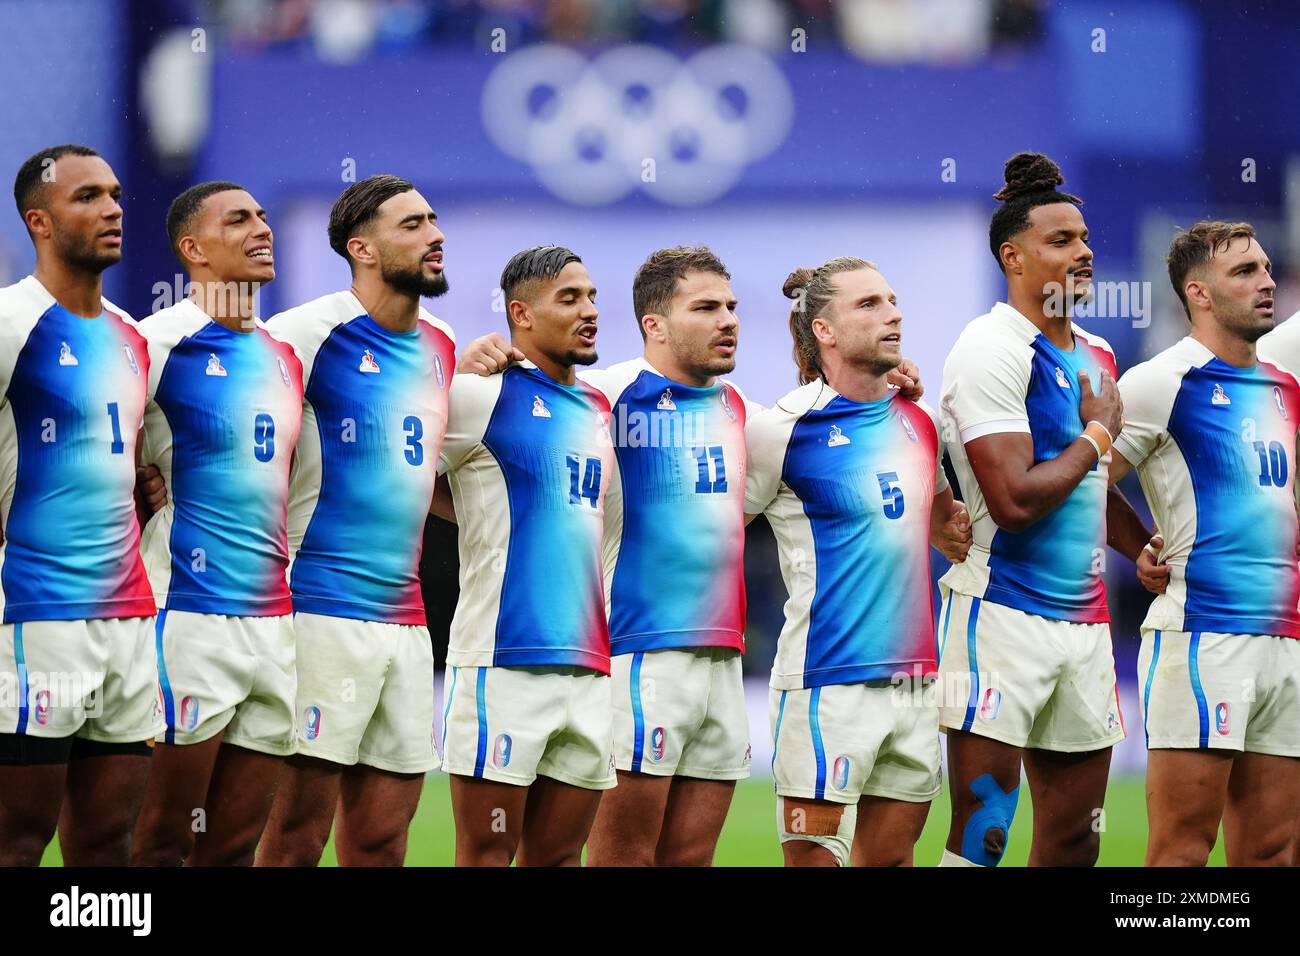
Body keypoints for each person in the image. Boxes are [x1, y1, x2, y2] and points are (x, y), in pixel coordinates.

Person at [256, 175, 456, 866]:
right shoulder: (304, 334)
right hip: (317, 609)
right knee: (294, 836)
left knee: (380, 841)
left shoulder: (444, 344)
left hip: (406, 623)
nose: (434, 235)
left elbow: (424, 472)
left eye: (433, 220)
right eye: (412, 225)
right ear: (361, 248)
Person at [745, 256, 970, 866]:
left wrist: (953, 531)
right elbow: (709, 527)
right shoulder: (782, 429)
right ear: (825, 330)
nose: (893, 312)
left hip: (915, 682)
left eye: (892, 300)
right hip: (825, 684)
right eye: (868, 304)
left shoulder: (919, 419)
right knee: (817, 860)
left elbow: (939, 524)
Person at [936, 152, 1126, 867]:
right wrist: (1099, 431)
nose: (1084, 251)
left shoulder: (1099, 350)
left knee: (1079, 839)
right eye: (1061, 241)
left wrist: (1136, 540)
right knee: (986, 829)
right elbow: (1015, 500)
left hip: (1086, 623)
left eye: (1083, 237)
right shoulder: (990, 347)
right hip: (1001, 614)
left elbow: (1088, 478)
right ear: (1013, 256)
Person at [1113, 221, 1300, 866]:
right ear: (1198, 292)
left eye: (1267, 268)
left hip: (1286, 638)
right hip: (1202, 637)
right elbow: (1077, 481)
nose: (1267, 282)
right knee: (1182, 852)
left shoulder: (1285, 386)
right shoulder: (1160, 383)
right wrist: (1135, 541)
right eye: (1245, 272)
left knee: (1274, 853)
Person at [130, 181, 303, 866]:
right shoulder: (152, 344)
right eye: (239, 220)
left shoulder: (285, 355)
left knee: (232, 847)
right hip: (185, 617)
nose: (262, 228)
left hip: (273, 623)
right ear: (193, 249)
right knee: (163, 839)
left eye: (263, 216)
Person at [0, 144, 162, 866]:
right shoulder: (9, 324)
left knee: (107, 845)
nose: (113, 210)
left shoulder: (133, 337)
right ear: (39, 221)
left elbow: (135, 465)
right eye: (88, 197)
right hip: (37, 617)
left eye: (117, 195)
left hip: (128, 622)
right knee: (18, 839)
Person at [438, 245, 615, 866]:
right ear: (521, 313)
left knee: (562, 858)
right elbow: (400, 476)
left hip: (590, 664)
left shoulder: (598, 408)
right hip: (502, 660)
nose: (589, 310)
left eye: (591, 296)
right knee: (487, 852)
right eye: (569, 298)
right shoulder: (481, 394)